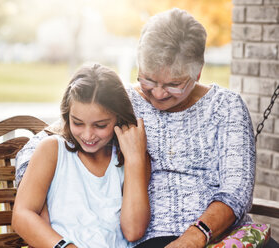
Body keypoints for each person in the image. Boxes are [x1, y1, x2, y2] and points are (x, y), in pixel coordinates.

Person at [15, 8, 270, 248]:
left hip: (221, 235)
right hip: (155, 238)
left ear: (198, 73)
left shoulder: (226, 107)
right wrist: (40, 201)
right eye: (148, 79)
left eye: (173, 84)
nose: (158, 94)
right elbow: (46, 143)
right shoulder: (122, 102)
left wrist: (195, 236)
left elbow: (236, 191)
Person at [12, 63, 151, 248]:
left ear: (119, 118)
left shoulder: (130, 158)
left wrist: (135, 160)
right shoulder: (52, 150)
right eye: (77, 123)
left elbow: (134, 231)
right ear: (67, 115)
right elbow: (22, 215)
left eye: (100, 125)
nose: (87, 135)